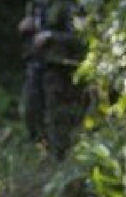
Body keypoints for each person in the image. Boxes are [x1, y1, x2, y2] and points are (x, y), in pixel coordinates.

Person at [19, 0, 83, 160]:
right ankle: (43, 148)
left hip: (58, 66)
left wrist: (51, 36)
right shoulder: (35, 7)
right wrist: (26, 29)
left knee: (56, 112)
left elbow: (78, 37)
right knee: (31, 108)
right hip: (36, 62)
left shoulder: (67, 6)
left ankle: (60, 154)